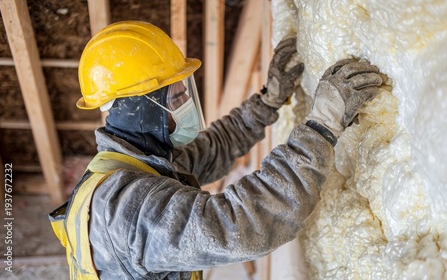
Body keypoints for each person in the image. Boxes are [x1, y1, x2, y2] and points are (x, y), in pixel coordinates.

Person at [49, 21, 384, 280]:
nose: (184, 103)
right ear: (145, 106)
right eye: (175, 96)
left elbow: (215, 147)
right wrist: (322, 125)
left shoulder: (135, 163)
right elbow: (241, 225)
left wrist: (269, 98)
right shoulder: (127, 210)